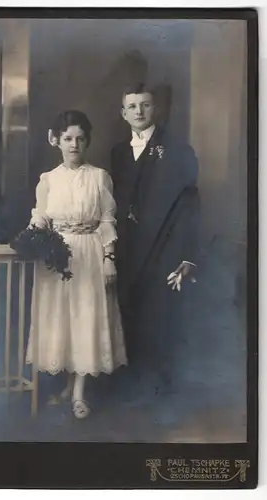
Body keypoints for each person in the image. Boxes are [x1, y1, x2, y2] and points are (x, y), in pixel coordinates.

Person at [25, 110, 127, 419]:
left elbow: (108, 220)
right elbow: (41, 216)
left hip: (90, 254)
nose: (74, 145)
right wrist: (35, 229)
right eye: (68, 138)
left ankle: (79, 393)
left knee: (85, 317)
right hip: (57, 257)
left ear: (87, 142)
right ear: (54, 140)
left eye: (80, 139)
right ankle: (69, 386)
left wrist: (109, 259)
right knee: (63, 320)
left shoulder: (99, 177)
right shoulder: (48, 180)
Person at [111, 83, 200, 393]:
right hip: (128, 250)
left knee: (158, 319)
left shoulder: (177, 150)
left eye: (145, 105)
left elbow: (189, 205)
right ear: (124, 113)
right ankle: (128, 387)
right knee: (127, 315)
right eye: (132, 106)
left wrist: (187, 256)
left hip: (163, 249)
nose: (139, 111)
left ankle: (158, 392)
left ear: (155, 109)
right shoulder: (119, 153)